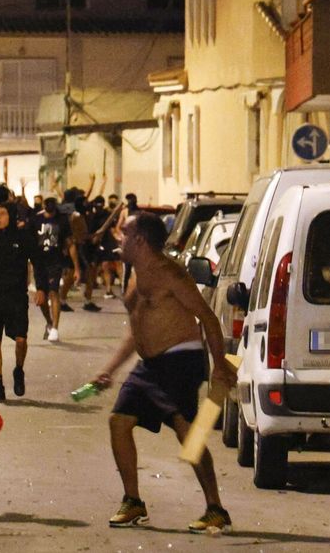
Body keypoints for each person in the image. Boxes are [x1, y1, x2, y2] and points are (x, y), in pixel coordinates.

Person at [91, 212, 235, 534]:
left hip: (180, 360)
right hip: (150, 365)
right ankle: (133, 501)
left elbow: (208, 318)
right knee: (119, 421)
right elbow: (137, 331)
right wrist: (109, 370)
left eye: (125, 233)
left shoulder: (171, 274)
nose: (120, 238)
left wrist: (221, 364)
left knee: (190, 436)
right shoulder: (135, 275)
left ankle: (215, 509)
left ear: (140, 240)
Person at [0, 202, 36, 401]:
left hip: (17, 297)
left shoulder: (24, 238)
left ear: (12, 216)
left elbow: (37, 261)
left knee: (21, 339)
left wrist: (43, 290)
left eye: (2, 214)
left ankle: (18, 370)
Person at [29, 196, 79, 342]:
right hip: (39, 263)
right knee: (42, 297)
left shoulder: (62, 220)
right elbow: (29, 242)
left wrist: (76, 268)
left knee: (53, 292)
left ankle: (55, 328)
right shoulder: (35, 220)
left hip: (55, 262)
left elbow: (70, 243)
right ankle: (49, 322)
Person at [59, 194, 92, 312]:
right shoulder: (76, 216)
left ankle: (87, 300)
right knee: (73, 274)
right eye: (85, 202)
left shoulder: (80, 216)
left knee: (85, 273)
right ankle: (62, 300)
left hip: (79, 246)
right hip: (76, 247)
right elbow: (75, 233)